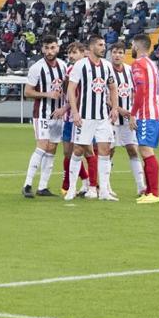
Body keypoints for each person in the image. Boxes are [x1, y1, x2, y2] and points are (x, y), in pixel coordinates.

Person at [65, 35, 120, 202]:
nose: (104, 48)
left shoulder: (107, 66)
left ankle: (103, 191)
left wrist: (115, 108)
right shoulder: (80, 65)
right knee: (78, 151)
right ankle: (71, 189)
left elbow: (113, 87)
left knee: (105, 151)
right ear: (91, 47)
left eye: (104, 45)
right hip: (85, 117)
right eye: (100, 45)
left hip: (102, 117)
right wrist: (75, 112)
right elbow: (71, 89)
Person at [21, 35, 67, 198]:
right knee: (42, 146)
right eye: (46, 48)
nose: (49, 51)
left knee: (52, 148)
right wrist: (47, 94)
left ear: (57, 48)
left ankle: (43, 186)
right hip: (42, 114)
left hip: (58, 114)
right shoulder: (37, 68)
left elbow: (67, 89)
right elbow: (27, 92)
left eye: (52, 47)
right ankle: (27, 184)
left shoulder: (63, 66)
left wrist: (64, 107)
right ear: (42, 49)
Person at [108, 41, 146, 199]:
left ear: (125, 55)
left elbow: (136, 92)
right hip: (111, 117)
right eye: (114, 52)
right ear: (111, 54)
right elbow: (104, 96)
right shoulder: (106, 70)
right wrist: (119, 109)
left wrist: (133, 112)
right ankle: (106, 187)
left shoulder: (130, 71)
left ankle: (141, 186)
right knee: (109, 151)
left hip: (128, 118)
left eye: (120, 53)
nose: (117, 55)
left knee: (132, 149)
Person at [130, 34, 159, 204]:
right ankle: (149, 191)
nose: (131, 48)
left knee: (146, 151)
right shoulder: (152, 64)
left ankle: (155, 194)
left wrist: (132, 114)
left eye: (132, 45)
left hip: (146, 114)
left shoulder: (138, 64)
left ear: (136, 46)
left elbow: (141, 91)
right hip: (155, 113)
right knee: (146, 151)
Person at [58, 42, 94, 197]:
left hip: (80, 117)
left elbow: (79, 95)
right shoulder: (69, 69)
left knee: (85, 150)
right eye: (69, 53)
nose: (71, 56)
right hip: (69, 118)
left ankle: (91, 185)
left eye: (74, 52)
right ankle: (85, 181)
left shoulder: (86, 69)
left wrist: (66, 108)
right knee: (68, 152)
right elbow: (69, 93)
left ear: (83, 53)